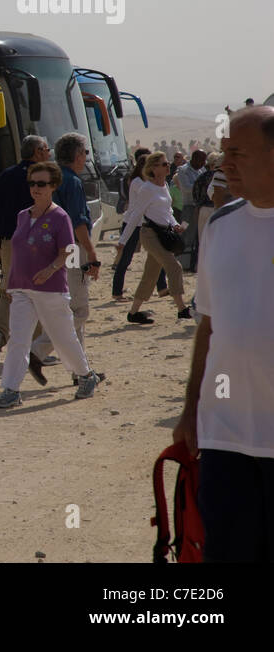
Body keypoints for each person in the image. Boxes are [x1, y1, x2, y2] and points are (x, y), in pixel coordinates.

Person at [173, 106, 274, 560]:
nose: (224, 163)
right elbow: (209, 326)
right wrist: (191, 408)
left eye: (238, 153)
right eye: (223, 151)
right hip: (224, 438)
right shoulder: (221, 225)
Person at [0, 161, 99, 409]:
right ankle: (11, 389)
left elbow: (69, 253)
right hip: (21, 288)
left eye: (41, 184)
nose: (35, 188)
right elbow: (17, 253)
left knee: (63, 338)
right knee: (18, 338)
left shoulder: (61, 218)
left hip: (51, 290)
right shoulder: (21, 216)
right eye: (32, 183)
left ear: (53, 186)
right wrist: (8, 282)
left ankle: (85, 375)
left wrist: (50, 269)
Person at [0, 135, 52, 365]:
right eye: (46, 149)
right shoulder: (43, 177)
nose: (49, 153)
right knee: (39, 290)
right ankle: (36, 348)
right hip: (37, 242)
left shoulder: (6, 175)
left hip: (9, 242)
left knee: (8, 289)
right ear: (38, 151)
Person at [32, 134, 101, 372]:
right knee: (79, 311)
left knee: (70, 308)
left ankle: (81, 372)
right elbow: (78, 222)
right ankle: (38, 350)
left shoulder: (50, 178)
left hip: (51, 249)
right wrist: (91, 252)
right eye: (85, 153)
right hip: (72, 250)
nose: (86, 158)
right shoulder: (72, 182)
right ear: (77, 154)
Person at [117, 151, 191, 324]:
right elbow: (136, 214)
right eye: (164, 164)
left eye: (168, 163)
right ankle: (182, 309)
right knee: (174, 267)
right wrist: (122, 241)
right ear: (153, 168)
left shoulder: (164, 185)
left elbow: (168, 211)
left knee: (150, 275)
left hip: (164, 234)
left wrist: (174, 224)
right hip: (150, 235)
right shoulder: (146, 189)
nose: (168, 166)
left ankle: (133, 313)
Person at [112, 149, 167, 300]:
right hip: (133, 223)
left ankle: (162, 288)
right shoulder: (138, 182)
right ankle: (117, 291)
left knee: (158, 255)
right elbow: (140, 206)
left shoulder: (150, 183)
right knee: (125, 259)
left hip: (147, 224)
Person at [173, 150, 208, 271]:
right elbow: (186, 188)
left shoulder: (202, 170)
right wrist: (201, 185)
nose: (203, 163)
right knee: (185, 232)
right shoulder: (183, 170)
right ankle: (182, 261)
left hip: (201, 207)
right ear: (194, 158)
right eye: (201, 160)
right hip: (189, 208)